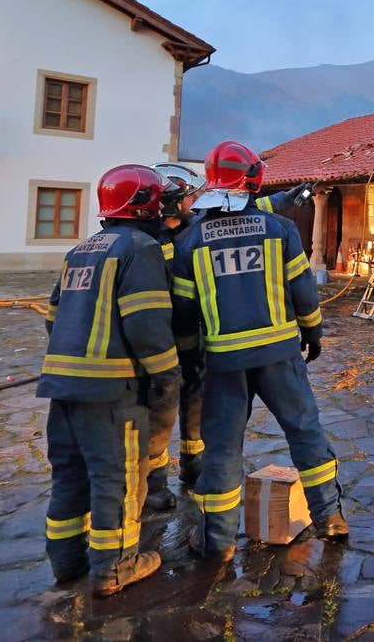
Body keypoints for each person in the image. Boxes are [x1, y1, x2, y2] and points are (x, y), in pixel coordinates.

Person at [171, 140, 346, 561]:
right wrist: (313, 333)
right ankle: (329, 517)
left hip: (224, 362)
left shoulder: (190, 241)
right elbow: (304, 293)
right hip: (279, 355)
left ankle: (220, 542)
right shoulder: (280, 230)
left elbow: (183, 314)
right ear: (253, 181)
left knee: (224, 447)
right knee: (305, 431)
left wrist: (193, 359)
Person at [39, 164, 181, 596]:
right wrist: (166, 375)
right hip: (112, 389)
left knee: (69, 475)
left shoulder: (81, 250)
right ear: (144, 204)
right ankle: (116, 567)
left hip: (63, 386)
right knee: (117, 480)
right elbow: (147, 324)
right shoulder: (140, 249)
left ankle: (66, 564)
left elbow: (52, 317)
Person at [142, 162, 208, 511]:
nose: (194, 203)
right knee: (160, 409)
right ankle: (154, 484)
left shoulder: (189, 228)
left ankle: (193, 465)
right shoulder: (146, 241)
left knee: (195, 398)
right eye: (190, 198)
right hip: (158, 340)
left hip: (188, 335)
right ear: (171, 202)